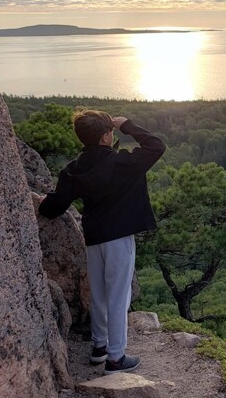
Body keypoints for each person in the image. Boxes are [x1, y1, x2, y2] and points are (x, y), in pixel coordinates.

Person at [39, 110, 165, 374]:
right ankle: (116, 358)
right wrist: (128, 125)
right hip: (119, 237)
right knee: (118, 296)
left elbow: (54, 207)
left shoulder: (74, 169)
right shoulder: (123, 163)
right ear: (107, 137)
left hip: (94, 237)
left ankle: (100, 348)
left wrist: (41, 201)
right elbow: (156, 145)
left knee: (99, 293)